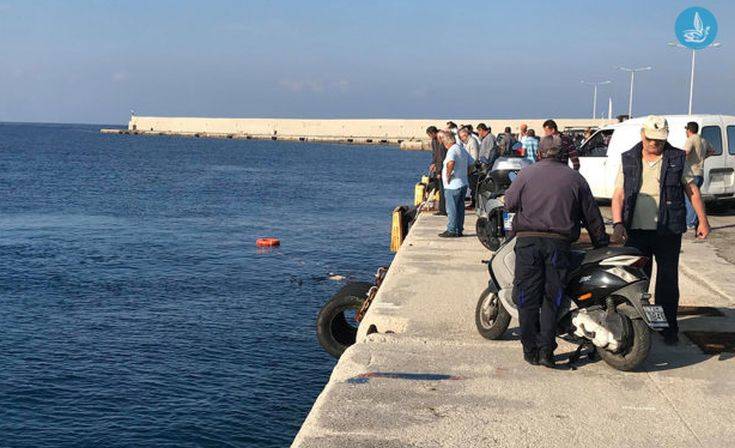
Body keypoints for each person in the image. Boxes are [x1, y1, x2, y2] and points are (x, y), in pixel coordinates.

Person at [504, 135, 608, 367]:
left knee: (527, 297)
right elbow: (592, 217)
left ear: (540, 153)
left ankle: (530, 350)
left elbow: (509, 202)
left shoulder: (526, 174)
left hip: (528, 242)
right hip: (559, 245)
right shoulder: (576, 179)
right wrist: (601, 244)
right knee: (553, 298)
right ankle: (546, 352)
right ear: (563, 155)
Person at [610, 116, 710, 345]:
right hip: (636, 232)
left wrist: (702, 220)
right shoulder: (628, 158)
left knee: (667, 281)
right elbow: (618, 194)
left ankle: (668, 328)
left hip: (667, 230)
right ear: (642, 135)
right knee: (636, 281)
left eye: (660, 140)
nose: (655, 144)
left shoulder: (676, 157)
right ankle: (639, 325)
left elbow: (691, 189)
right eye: (651, 139)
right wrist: (617, 223)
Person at [438, 130, 469, 238]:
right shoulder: (462, 149)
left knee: (451, 209)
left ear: (447, 142)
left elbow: (451, 162)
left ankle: (451, 229)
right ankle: (459, 229)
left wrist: (448, 174)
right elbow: (471, 163)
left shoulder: (452, 150)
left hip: (453, 185)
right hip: (463, 183)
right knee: (460, 208)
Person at [683, 121, 712, 230]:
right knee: (697, 197)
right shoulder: (703, 140)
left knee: (689, 198)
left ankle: (690, 222)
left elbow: (685, 152)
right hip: (700, 173)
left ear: (688, 130)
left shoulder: (691, 139)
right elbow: (712, 151)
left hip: (691, 173)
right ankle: (695, 221)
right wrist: (703, 157)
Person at [459, 126, 481, 208]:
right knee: (472, 187)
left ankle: (475, 204)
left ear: (465, 135)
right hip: (469, 168)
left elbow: (474, 158)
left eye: (462, 137)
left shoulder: (472, 141)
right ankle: (473, 203)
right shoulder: (468, 142)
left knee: (474, 187)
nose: (461, 139)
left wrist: (470, 169)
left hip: (473, 169)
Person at [427, 126, 447, 216]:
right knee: (440, 189)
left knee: (443, 190)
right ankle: (441, 209)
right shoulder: (434, 141)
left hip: (442, 169)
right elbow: (435, 155)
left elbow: (442, 157)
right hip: (438, 168)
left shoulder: (441, 141)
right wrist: (433, 163)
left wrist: (439, 171)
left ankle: (444, 210)